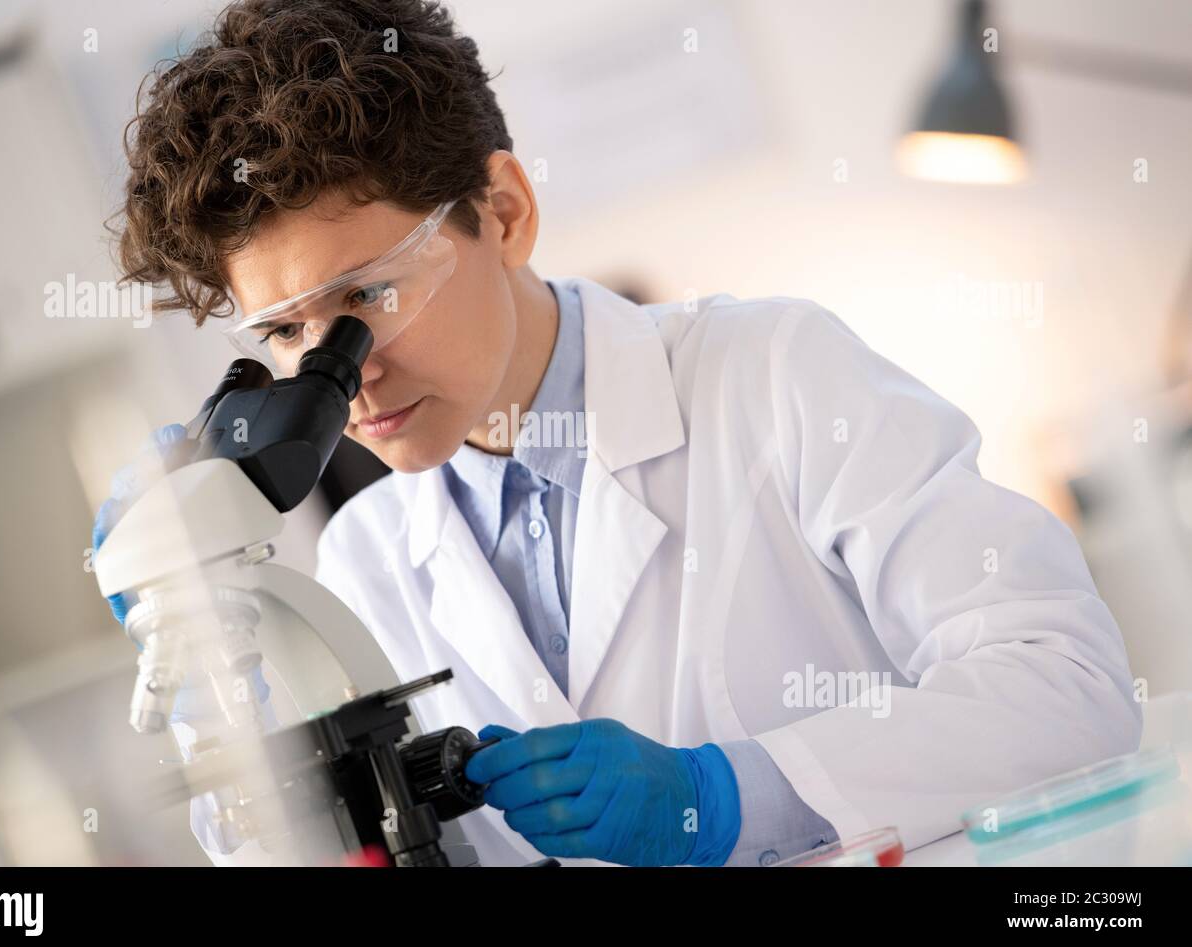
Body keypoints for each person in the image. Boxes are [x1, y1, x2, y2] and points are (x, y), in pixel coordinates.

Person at [94, 0, 1139, 867]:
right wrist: (217, 690)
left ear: (504, 212)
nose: (348, 372)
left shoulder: (777, 375)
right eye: (287, 333)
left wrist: (729, 792)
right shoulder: (367, 563)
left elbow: (1066, 686)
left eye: (368, 294)